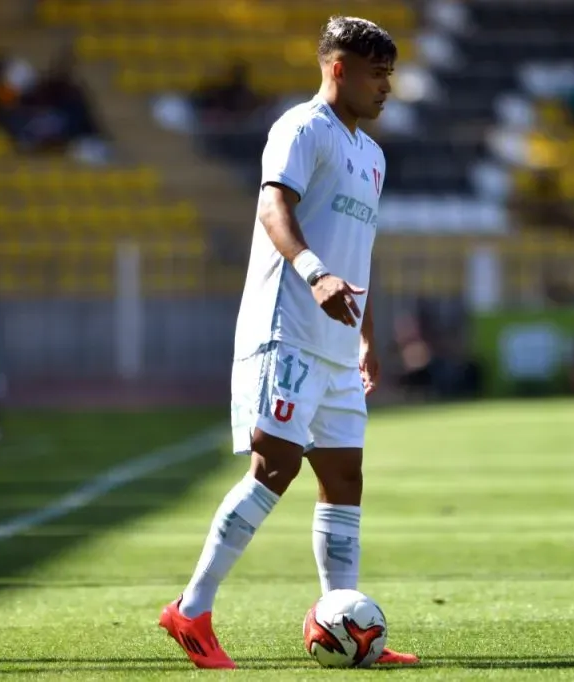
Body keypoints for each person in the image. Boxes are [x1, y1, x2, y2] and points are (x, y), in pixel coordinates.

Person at [157, 16, 418, 669]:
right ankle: (190, 610)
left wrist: (368, 335)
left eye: (391, 73)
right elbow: (274, 207)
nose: (388, 87)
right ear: (338, 69)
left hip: (337, 343)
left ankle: (343, 619)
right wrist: (314, 273)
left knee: (344, 477)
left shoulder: (373, 155)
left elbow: (361, 250)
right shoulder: (301, 129)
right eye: (377, 73)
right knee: (274, 468)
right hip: (289, 331)